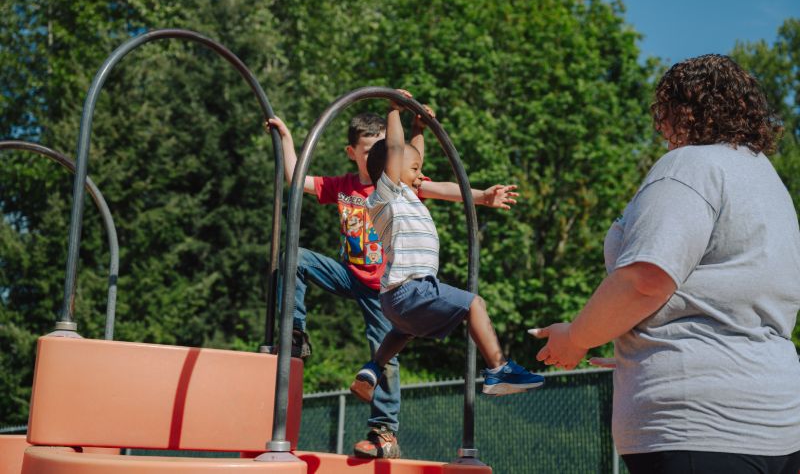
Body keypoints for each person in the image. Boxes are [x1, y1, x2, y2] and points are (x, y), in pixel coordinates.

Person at [530, 54, 800, 474]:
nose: (662, 129)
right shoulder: (767, 181)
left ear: (682, 110)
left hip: (697, 424)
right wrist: (629, 337)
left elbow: (646, 279)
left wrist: (578, 336)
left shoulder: (691, 166)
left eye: (665, 114)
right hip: (779, 424)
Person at [266, 95, 519, 459]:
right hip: (350, 273)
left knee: (386, 354)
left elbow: (440, 187)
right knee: (295, 257)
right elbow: (296, 178)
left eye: (385, 150)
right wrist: (288, 137)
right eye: (370, 151)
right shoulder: (344, 185)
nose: (379, 157)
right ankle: (294, 333)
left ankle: (384, 432)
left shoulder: (401, 185)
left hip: (386, 286)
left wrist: (481, 196)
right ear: (353, 152)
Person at [348, 95, 544, 407]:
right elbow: (399, 153)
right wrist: (394, 112)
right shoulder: (385, 195)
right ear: (392, 168)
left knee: (405, 330)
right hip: (410, 289)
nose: (419, 175)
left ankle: (373, 368)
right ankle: (498, 369)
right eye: (413, 170)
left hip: (398, 298)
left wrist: (419, 127)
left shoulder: (407, 191)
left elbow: (413, 157)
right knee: (474, 304)